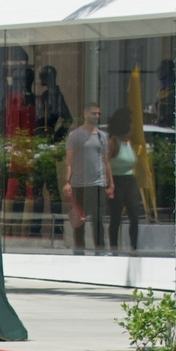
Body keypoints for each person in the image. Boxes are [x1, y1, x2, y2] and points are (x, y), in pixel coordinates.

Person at [65, 106, 108, 250]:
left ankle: (100, 250)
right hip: (79, 183)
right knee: (79, 221)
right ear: (85, 114)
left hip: (98, 183)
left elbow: (106, 161)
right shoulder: (75, 135)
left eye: (98, 113)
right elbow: (69, 161)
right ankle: (79, 251)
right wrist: (67, 182)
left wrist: (110, 183)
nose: (97, 116)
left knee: (98, 220)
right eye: (93, 113)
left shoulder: (102, 136)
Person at [105, 107, 143, 250]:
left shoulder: (129, 142)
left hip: (130, 180)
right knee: (116, 217)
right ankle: (114, 248)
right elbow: (106, 162)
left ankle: (134, 246)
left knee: (134, 215)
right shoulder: (113, 142)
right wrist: (110, 184)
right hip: (117, 180)